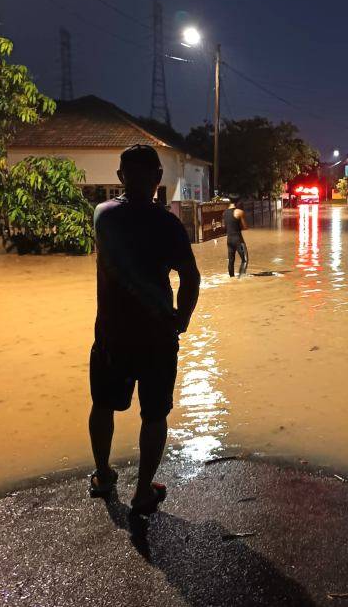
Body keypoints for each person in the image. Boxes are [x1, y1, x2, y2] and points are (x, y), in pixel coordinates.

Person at [87, 144, 201, 516]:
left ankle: (104, 476)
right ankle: (142, 493)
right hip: (156, 337)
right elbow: (190, 277)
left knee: (103, 405)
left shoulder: (103, 215)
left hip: (111, 335)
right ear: (158, 179)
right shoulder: (167, 224)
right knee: (154, 415)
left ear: (120, 177)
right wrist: (181, 320)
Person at [224, 198, 249, 277]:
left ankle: (231, 278)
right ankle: (241, 278)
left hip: (229, 240)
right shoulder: (239, 212)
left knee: (231, 260)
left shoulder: (225, 213)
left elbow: (225, 227)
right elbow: (245, 227)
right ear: (237, 202)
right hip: (238, 239)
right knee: (245, 259)